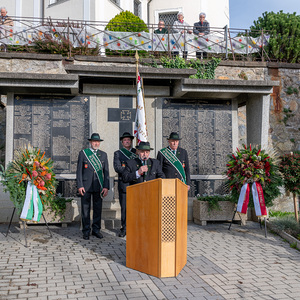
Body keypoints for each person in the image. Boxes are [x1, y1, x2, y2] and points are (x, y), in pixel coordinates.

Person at [76, 133, 110, 240]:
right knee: (85, 209)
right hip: (85, 186)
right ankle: (86, 231)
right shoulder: (83, 154)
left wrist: (106, 187)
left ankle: (96, 230)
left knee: (97, 209)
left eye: (98, 142)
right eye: (94, 141)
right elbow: (79, 171)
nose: (96, 143)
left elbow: (106, 173)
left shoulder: (103, 155)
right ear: (90, 142)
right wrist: (80, 185)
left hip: (98, 186)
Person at [113, 132, 137, 238]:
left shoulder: (136, 152)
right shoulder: (118, 153)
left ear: (131, 142)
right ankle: (124, 228)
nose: (127, 142)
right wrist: (131, 172)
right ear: (122, 142)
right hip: (124, 184)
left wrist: (129, 171)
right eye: (125, 140)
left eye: (129, 140)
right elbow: (117, 168)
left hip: (136, 183)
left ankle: (134, 227)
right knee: (125, 208)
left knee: (135, 208)